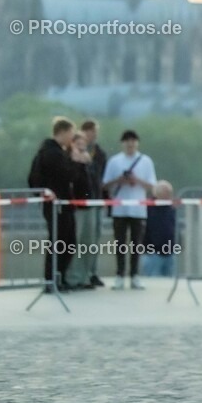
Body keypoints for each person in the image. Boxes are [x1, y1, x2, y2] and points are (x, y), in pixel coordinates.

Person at [28, 117, 78, 292]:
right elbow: (68, 175)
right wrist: (75, 160)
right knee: (62, 242)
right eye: (71, 134)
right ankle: (54, 279)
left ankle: (56, 278)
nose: (72, 139)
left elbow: (32, 179)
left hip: (58, 205)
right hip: (58, 205)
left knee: (62, 241)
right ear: (62, 132)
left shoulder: (45, 152)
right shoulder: (53, 154)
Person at [102, 130, 157, 290]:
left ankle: (134, 275)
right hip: (120, 207)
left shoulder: (145, 161)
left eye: (133, 141)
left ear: (137, 143)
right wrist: (120, 180)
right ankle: (120, 274)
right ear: (122, 143)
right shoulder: (115, 161)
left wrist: (136, 180)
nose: (130, 144)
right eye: (127, 141)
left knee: (136, 243)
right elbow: (105, 183)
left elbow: (152, 185)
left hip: (138, 208)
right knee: (119, 243)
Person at [65, 131, 96, 290]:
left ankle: (85, 276)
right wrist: (76, 160)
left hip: (89, 204)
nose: (82, 147)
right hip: (77, 206)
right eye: (78, 144)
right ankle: (72, 277)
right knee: (75, 243)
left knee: (87, 243)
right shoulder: (71, 161)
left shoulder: (88, 162)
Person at [81, 119, 109, 287]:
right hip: (83, 200)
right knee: (84, 239)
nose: (94, 135)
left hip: (97, 199)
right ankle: (81, 274)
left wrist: (105, 199)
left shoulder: (99, 153)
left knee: (95, 239)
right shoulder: (76, 150)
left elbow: (103, 178)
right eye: (91, 132)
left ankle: (92, 272)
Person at [142, 180, 178, 277]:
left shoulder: (171, 208)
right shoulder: (148, 207)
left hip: (169, 251)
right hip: (153, 252)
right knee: (153, 280)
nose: (169, 196)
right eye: (166, 193)